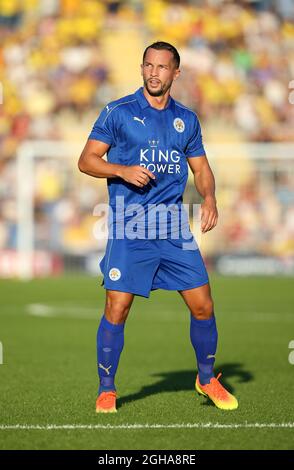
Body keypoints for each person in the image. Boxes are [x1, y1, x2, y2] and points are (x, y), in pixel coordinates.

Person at [78, 41, 238, 413]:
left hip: (173, 229)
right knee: (117, 307)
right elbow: (86, 160)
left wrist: (209, 199)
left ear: (175, 73)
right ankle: (107, 389)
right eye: (148, 65)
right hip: (130, 227)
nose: (154, 72)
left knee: (203, 305)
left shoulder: (187, 120)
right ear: (141, 68)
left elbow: (201, 169)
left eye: (162, 67)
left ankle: (206, 377)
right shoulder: (118, 112)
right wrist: (121, 170)